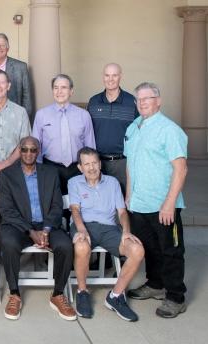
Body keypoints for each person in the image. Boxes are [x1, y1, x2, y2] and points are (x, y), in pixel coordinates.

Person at [124, 82, 188, 318]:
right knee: (149, 248)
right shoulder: (133, 128)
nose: (142, 103)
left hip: (163, 205)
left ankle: (175, 296)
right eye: (138, 99)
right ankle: (155, 284)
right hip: (139, 203)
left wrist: (170, 202)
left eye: (147, 98)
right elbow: (130, 165)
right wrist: (129, 195)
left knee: (170, 251)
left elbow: (180, 168)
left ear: (158, 101)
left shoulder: (169, 130)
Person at [0, 136, 76, 321]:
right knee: (8, 242)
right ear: (19, 151)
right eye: (24, 149)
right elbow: (7, 210)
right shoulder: (7, 174)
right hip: (19, 226)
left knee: (65, 245)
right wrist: (31, 231)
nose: (28, 153)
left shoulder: (50, 173)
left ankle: (57, 294)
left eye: (33, 150)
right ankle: (14, 293)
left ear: (38, 152)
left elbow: (57, 206)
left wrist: (46, 230)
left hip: (46, 225)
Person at [69, 147, 144, 321]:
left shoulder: (112, 182)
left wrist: (126, 231)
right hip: (84, 225)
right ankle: (82, 291)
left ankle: (115, 296)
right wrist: (81, 229)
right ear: (80, 167)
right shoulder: (74, 182)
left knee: (137, 251)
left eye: (94, 162)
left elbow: (122, 212)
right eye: (86, 164)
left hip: (109, 228)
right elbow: (74, 209)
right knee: (81, 246)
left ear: (100, 164)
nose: (91, 167)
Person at [32, 74, 96, 229]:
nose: (59, 91)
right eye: (56, 88)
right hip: (51, 168)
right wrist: (38, 172)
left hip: (76, 169)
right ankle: (57, 241)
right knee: (53, 208)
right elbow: (35, 147)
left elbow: (90, 147)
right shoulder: (41, 115)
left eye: (64, 87)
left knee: (77, 207)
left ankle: (76, 237)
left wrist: (89, 171)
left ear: (71, 91)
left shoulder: (83, 115)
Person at [87, 63, 138, 193]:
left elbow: (139, 132)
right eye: (107, 75)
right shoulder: (93, 101)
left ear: (120, 77)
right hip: (97, 162)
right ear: (103, 77)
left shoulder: (131, 102)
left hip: (122, 163)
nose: (110, 79)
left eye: (114, 75)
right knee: (99, 202)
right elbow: (87, 131)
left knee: (125, 203)